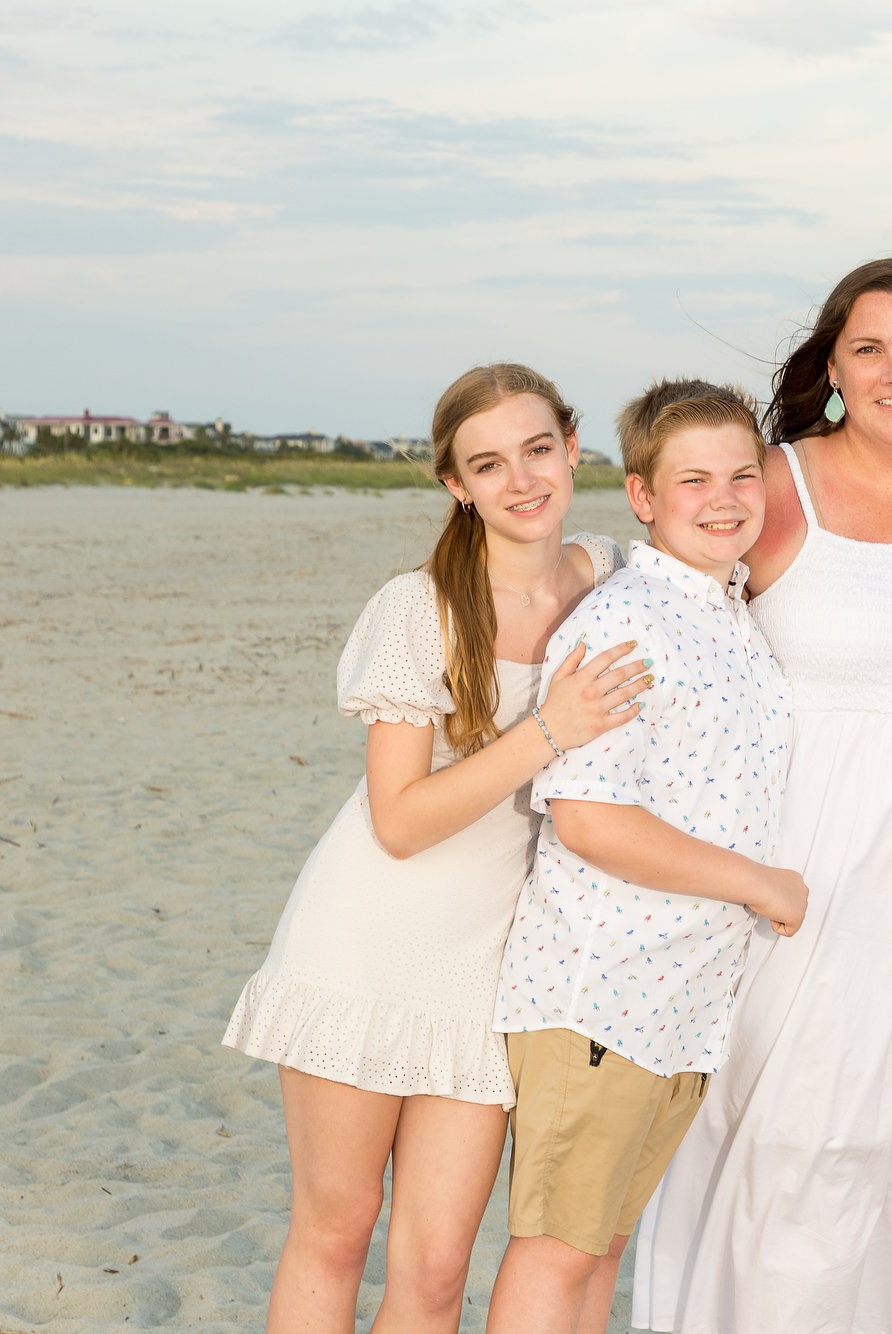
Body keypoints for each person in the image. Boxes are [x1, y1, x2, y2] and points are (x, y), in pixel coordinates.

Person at [632, 257, 892, 1334]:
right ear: (833, 364)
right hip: (809, 869)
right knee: (800, 1135)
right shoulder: (773, 484)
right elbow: (664, 606)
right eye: (868, 348)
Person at [223, 362, 651, 1333]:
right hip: (362, 946)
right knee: (338, 1233)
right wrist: (549, 729)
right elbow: (400, 820)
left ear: (572, 448)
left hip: (490, 972)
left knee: (436, 1268)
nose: (522, 480)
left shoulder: (613, 576)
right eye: (489, 464)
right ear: (457, 484)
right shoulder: (419, 607)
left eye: (537, 449)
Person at [484, 379, 803, 1334]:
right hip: (603, 993)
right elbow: (589, 817)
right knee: (558, 1250)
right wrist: (759, 884)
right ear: (643, 497)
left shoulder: (730, 614)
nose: (724, 499)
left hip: (681, 999)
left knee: (600, 1248)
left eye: (742, 476)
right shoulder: (627, 620)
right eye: (693, 480)